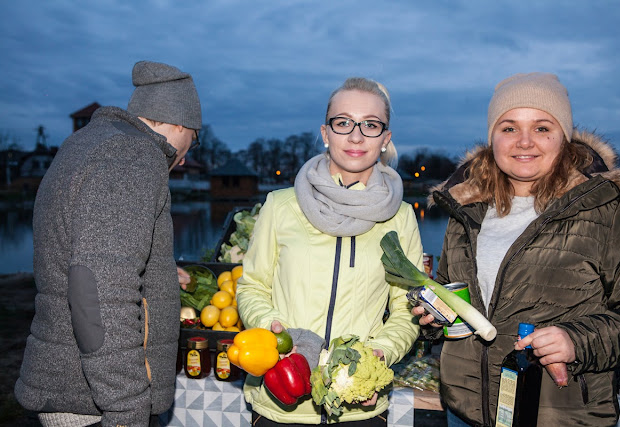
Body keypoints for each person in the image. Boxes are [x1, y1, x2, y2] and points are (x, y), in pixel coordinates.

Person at [413, 72, 620, 426]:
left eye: (542, 128)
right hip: (465, 411)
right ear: (492, 137)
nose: (524, 142)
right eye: (509, 128)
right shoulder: (467, 209)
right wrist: (433, 318)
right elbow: (449, 294)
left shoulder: (611, 211)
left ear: (563, 137)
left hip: (558, 415)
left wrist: (576, 341)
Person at [15, 60, 202, 427]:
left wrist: (160, 275)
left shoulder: (90, 143)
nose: (185, 157)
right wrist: (126, 409)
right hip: (92, 403)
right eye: (193, 140)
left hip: (75, 387)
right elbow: (98, 291)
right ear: (181, 124)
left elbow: (90, 253)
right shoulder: (132, 156)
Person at [236, 77, 423, 425]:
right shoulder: (280, 206)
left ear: (385, 139)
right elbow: (252, 287)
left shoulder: (401, 218)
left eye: (370, 125)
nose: (356, 135)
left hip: (359, 408)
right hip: (283, 404)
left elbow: (406, 308)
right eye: (343, 123)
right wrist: (274, 335)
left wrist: (378, 356)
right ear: (325, 133)